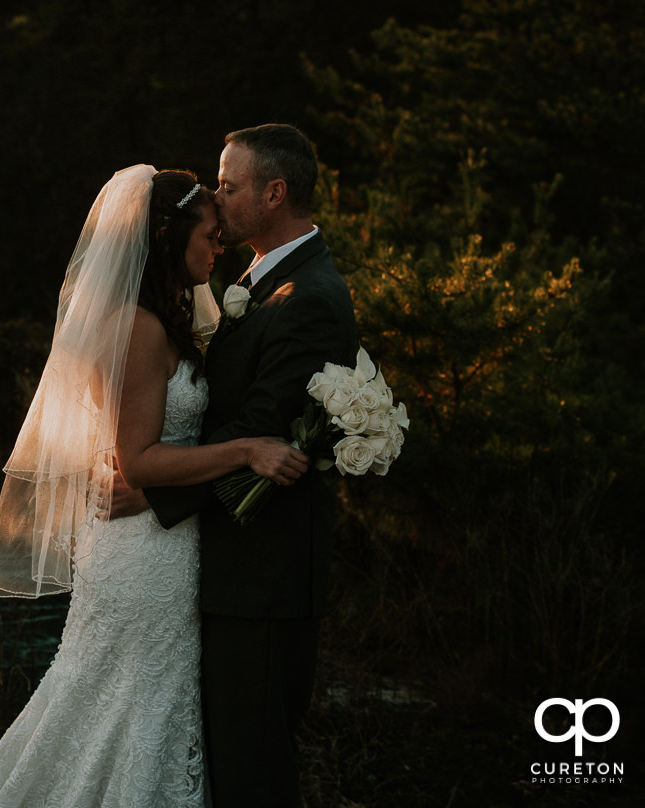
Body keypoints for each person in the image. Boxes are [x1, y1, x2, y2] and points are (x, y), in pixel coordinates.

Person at [0, 164, 307, 808]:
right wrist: (249, 449)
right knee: (129, 698)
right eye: (208, 235)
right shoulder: (138, 328)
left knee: (120, 698)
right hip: (145, 553)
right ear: (168, 239)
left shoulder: (157, 318)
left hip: (153, 536)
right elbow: (138, 461)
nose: (216, 246)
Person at [144, 125, 359, 808]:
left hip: (264, 576)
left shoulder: (312, 298)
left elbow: (260, 429)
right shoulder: (254, 281)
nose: (216, 195)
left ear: (275, 192)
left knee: (252, 767)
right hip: (232, 566)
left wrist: (150, 489)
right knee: (229, 757)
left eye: (229, 185)